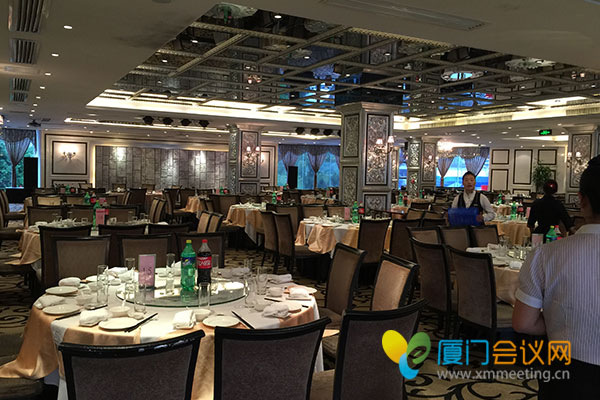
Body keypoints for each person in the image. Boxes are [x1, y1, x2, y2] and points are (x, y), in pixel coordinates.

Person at [513, 156, 600, 399]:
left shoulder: (544, 256)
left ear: (582, 200)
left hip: (566, 372)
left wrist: (560, 320)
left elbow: (523, 323)